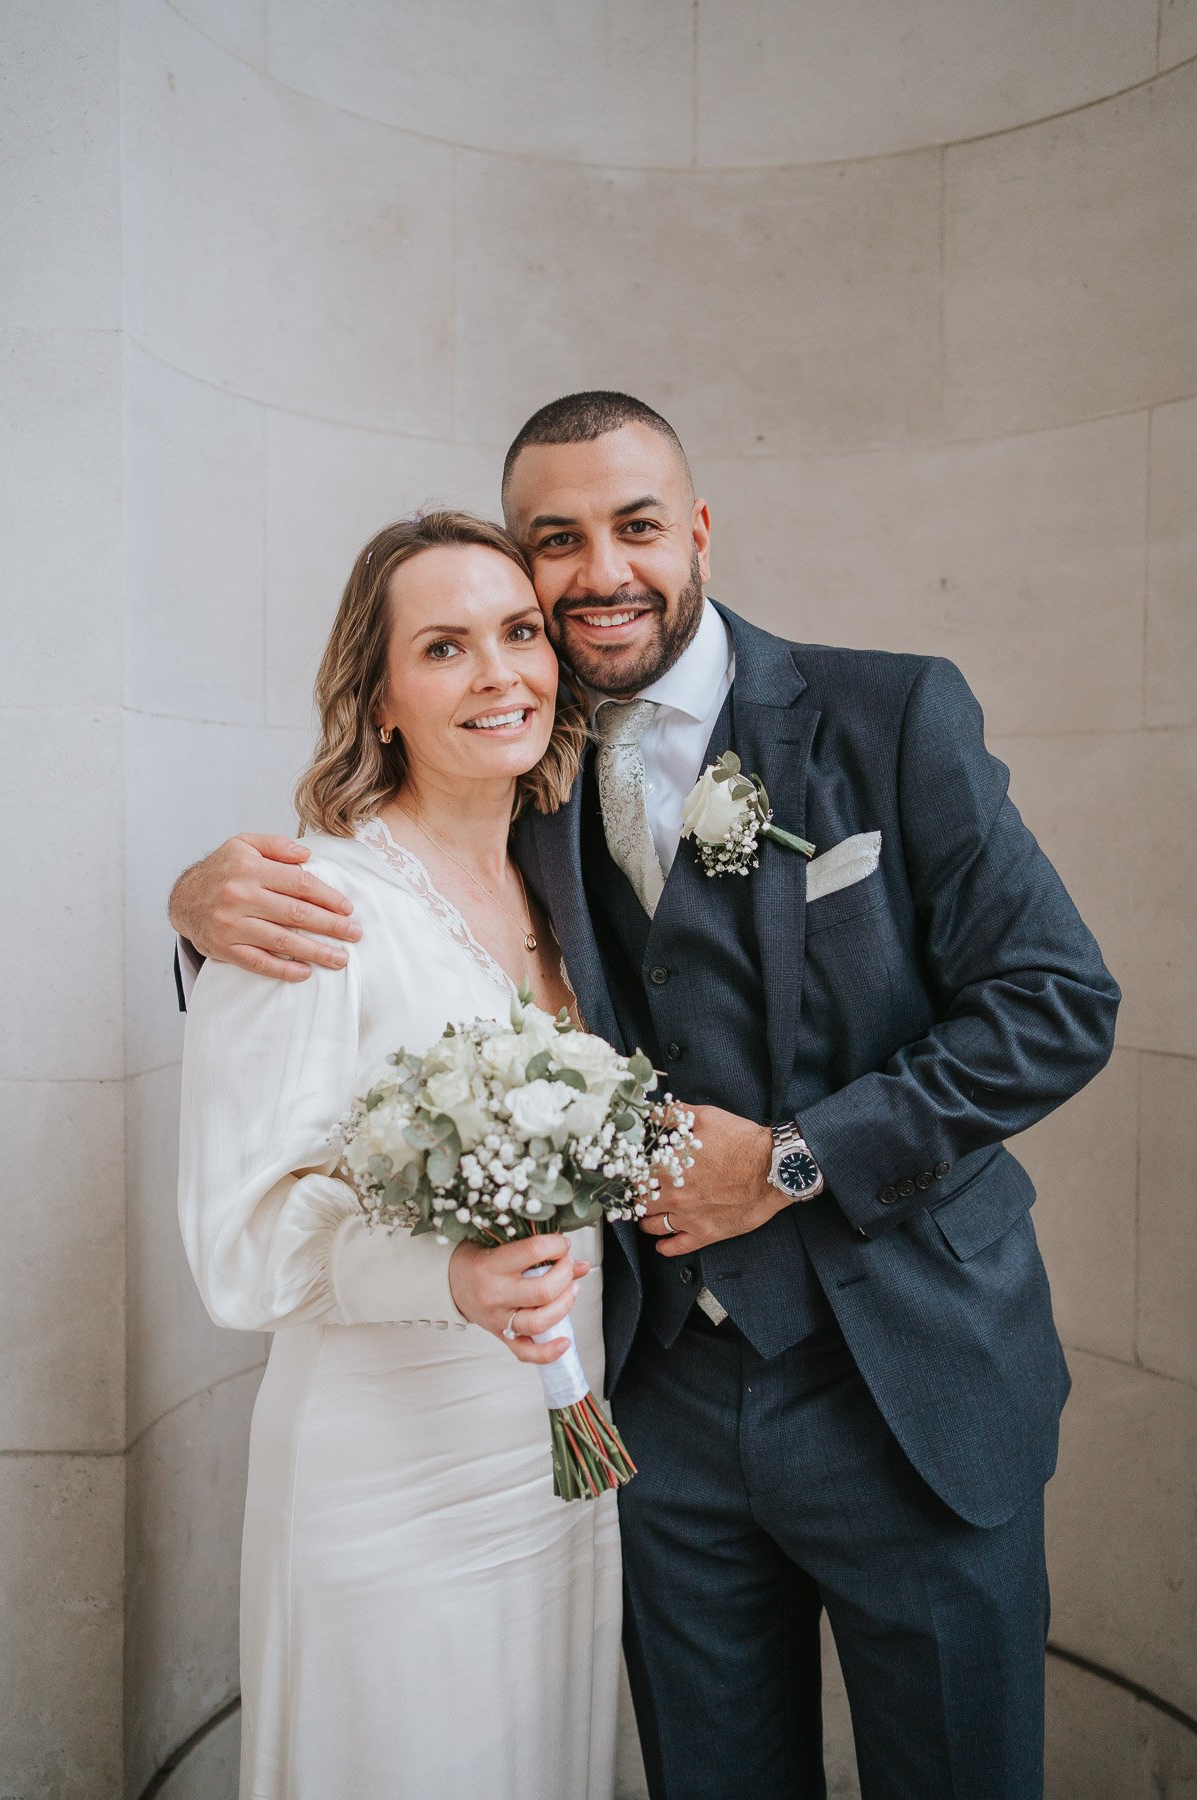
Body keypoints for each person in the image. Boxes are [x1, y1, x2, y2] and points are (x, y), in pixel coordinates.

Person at [172, 393, 1121, 1800]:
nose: (601, 572)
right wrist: (198, 916)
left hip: (910, 1393)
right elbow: (385, 936)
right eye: (556, 541)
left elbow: (1059, 1003)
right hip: (654, 1419)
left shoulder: (889, 712)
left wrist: (793, 1160)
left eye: (636, 526)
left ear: (701, 533)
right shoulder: (528, 773)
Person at [177, 509, 620, 1799]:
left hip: (555, 1460)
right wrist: (449, 1279)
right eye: (444, 647)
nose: (499, 674)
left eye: (519, 633)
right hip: (389, 1479)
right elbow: (242, 1250)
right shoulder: (310, 902)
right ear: (379, 700)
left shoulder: (567, 886)